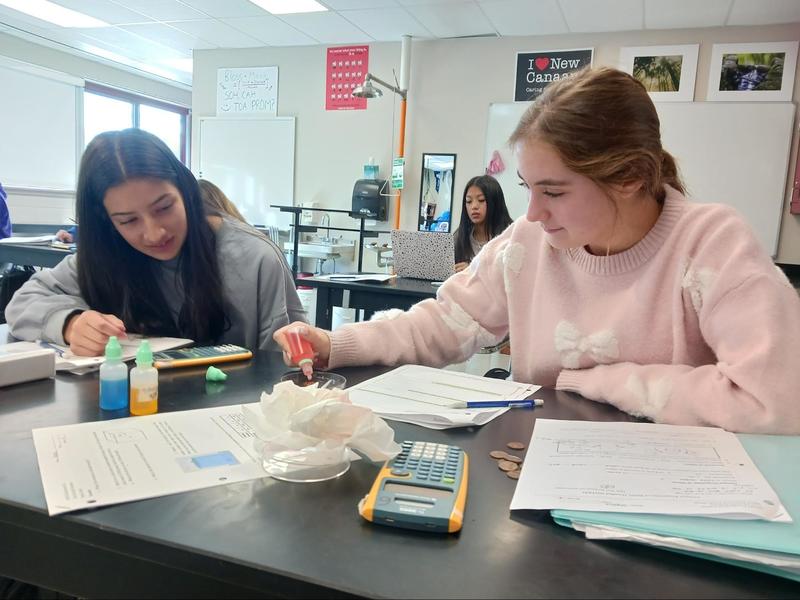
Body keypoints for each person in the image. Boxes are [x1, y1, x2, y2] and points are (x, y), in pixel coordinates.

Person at [274, 67, 800, 434]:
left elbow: (774, 403)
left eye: (553, 191)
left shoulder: (712, 243)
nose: (532, 214)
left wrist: (604, 381)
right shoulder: (529, 242)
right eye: (528, 188)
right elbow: (443, 322)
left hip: (678, 496)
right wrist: (334, 343)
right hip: (546, 468)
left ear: (632, 177)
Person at [6, 128, 306, 356]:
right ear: (107, 221)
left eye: (164, 207)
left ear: (185, 189)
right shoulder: (105, 256)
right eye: (128, 221)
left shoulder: (254, 259)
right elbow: (23, 303)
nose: (154, 234)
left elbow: (286, 366)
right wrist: (70, 323)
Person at [453, 175, 512, 273]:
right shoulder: (460, 237)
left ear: (495, 202)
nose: (474, 206)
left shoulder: (509, 235)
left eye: (481, 200)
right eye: (469, 201)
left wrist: (473, 270)